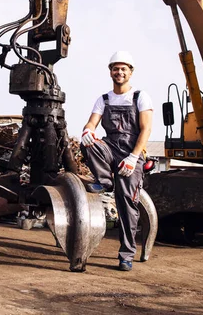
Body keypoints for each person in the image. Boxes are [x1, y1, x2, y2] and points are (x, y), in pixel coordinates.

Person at [80, 50, 153, 272]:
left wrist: (133, 157)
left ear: (130, 72)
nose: (119, 72)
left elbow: (146, 129)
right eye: (115, 68)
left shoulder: (140, 97)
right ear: (110, 72)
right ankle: (105, 182)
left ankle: (126, 255)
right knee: (87, 141)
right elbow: (91, 123)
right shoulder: (103, 99)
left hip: (131, 153)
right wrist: (88, 131)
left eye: (123, 68)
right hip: (110, 148)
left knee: (127, 206)